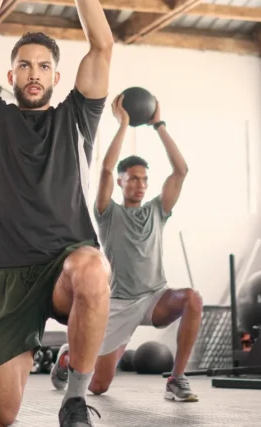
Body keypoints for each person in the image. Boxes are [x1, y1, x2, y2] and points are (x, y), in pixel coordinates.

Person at [0, 0, 114, 424]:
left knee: (92, 270)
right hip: (9, 276)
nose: (34, 73)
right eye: (25, 66)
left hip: (67, 264)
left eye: (44, 67)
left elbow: (102, 47)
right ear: (10, 77)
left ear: (56, 77)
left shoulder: (78, 118)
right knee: (0, 417)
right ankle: (57, 352)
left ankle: (75, 399)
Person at [49, 94, 200, 402]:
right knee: (98, 387)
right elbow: (104, 170)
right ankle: (67, 357)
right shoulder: (108, 213)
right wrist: (124, 125)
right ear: (121, 182)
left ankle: (177, 379)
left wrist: (158, 125)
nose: (140, 184)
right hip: (117, 304)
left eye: (144, 180)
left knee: (193, 300)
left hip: (154, 297)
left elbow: (181, 170)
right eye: (132, 179)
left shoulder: (157, 210)